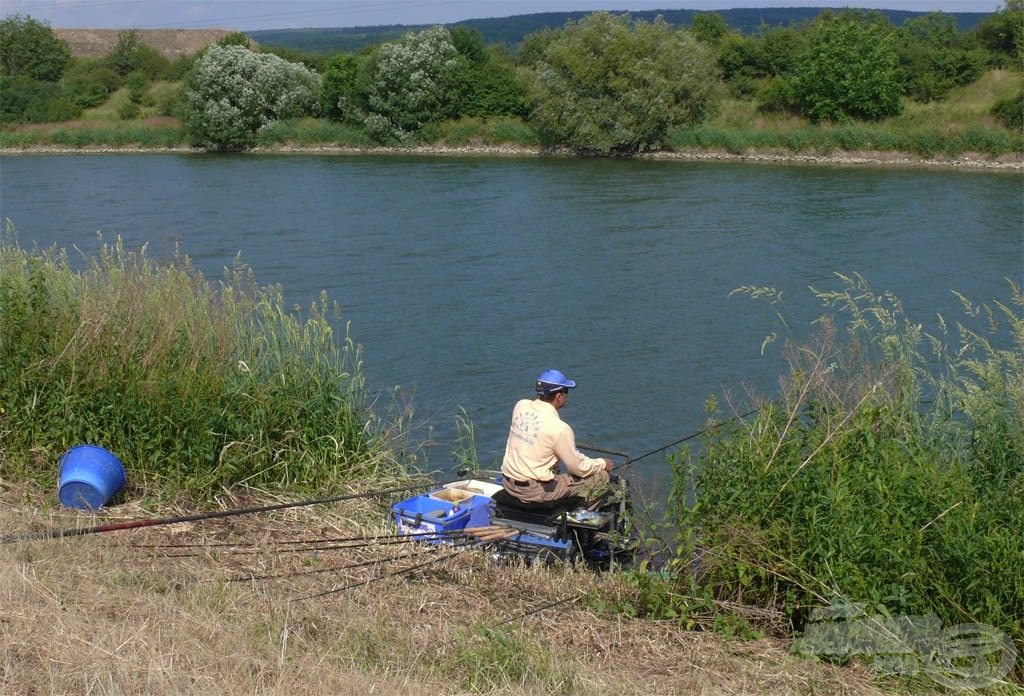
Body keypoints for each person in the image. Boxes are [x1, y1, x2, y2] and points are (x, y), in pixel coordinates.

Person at [501, 369, 613, 505]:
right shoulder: (560, 428)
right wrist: (603, 463)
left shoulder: (521, 406)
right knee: (601, 477)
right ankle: (581, 518)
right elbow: (578, 467)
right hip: (534, 491)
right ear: (559, 396)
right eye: (566, 392)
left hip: (508, 483)